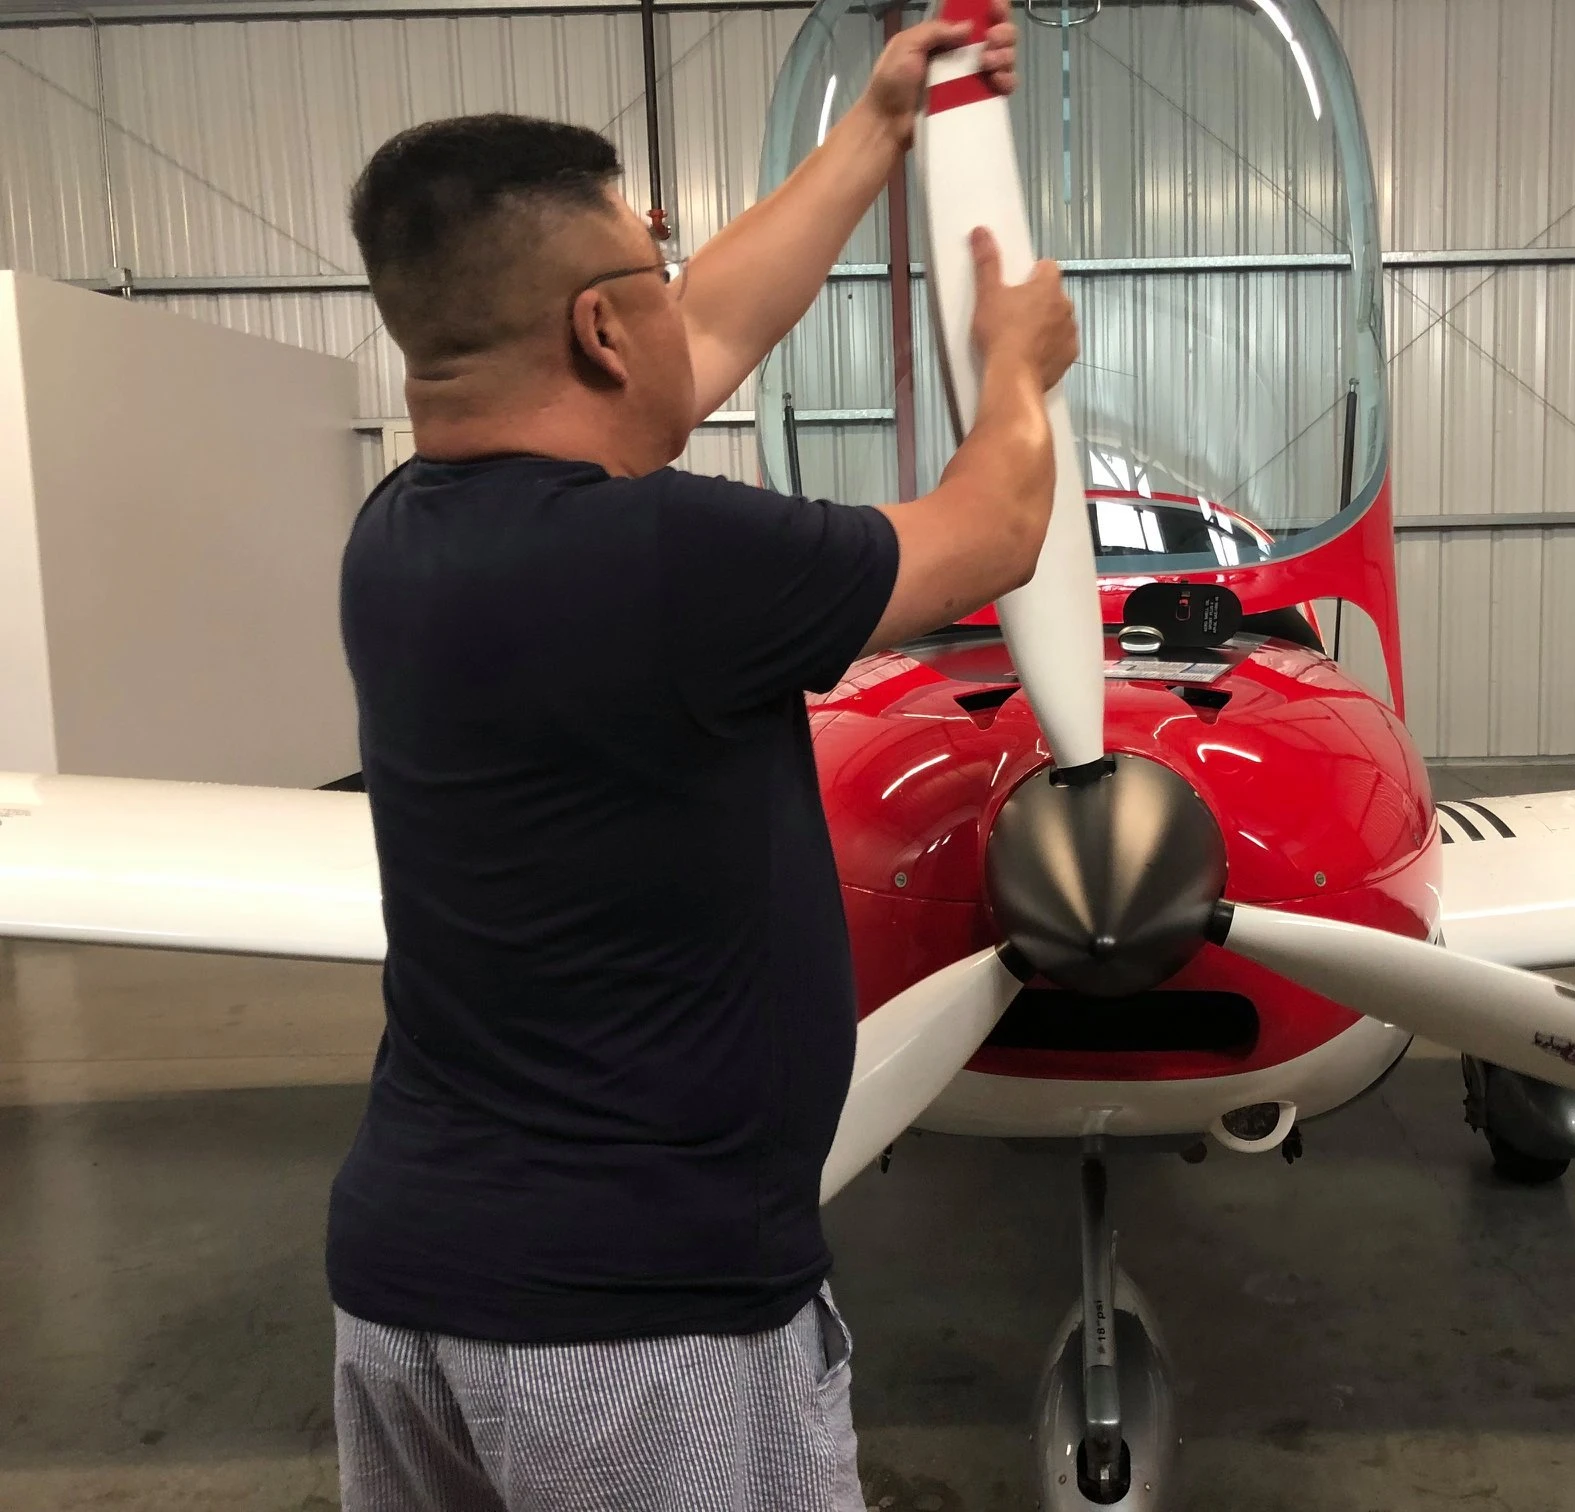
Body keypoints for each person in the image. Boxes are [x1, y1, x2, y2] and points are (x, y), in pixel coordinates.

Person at [326, 4, 1076, 1507]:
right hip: (639, 1329)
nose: (686, 302)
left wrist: (875, 132)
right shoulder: (672, 562)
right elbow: (996, 529)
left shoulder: (398, 534)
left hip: (406, 1291)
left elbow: (702, 334)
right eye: (652, 271)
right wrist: (1018, 367)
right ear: (601, 329)